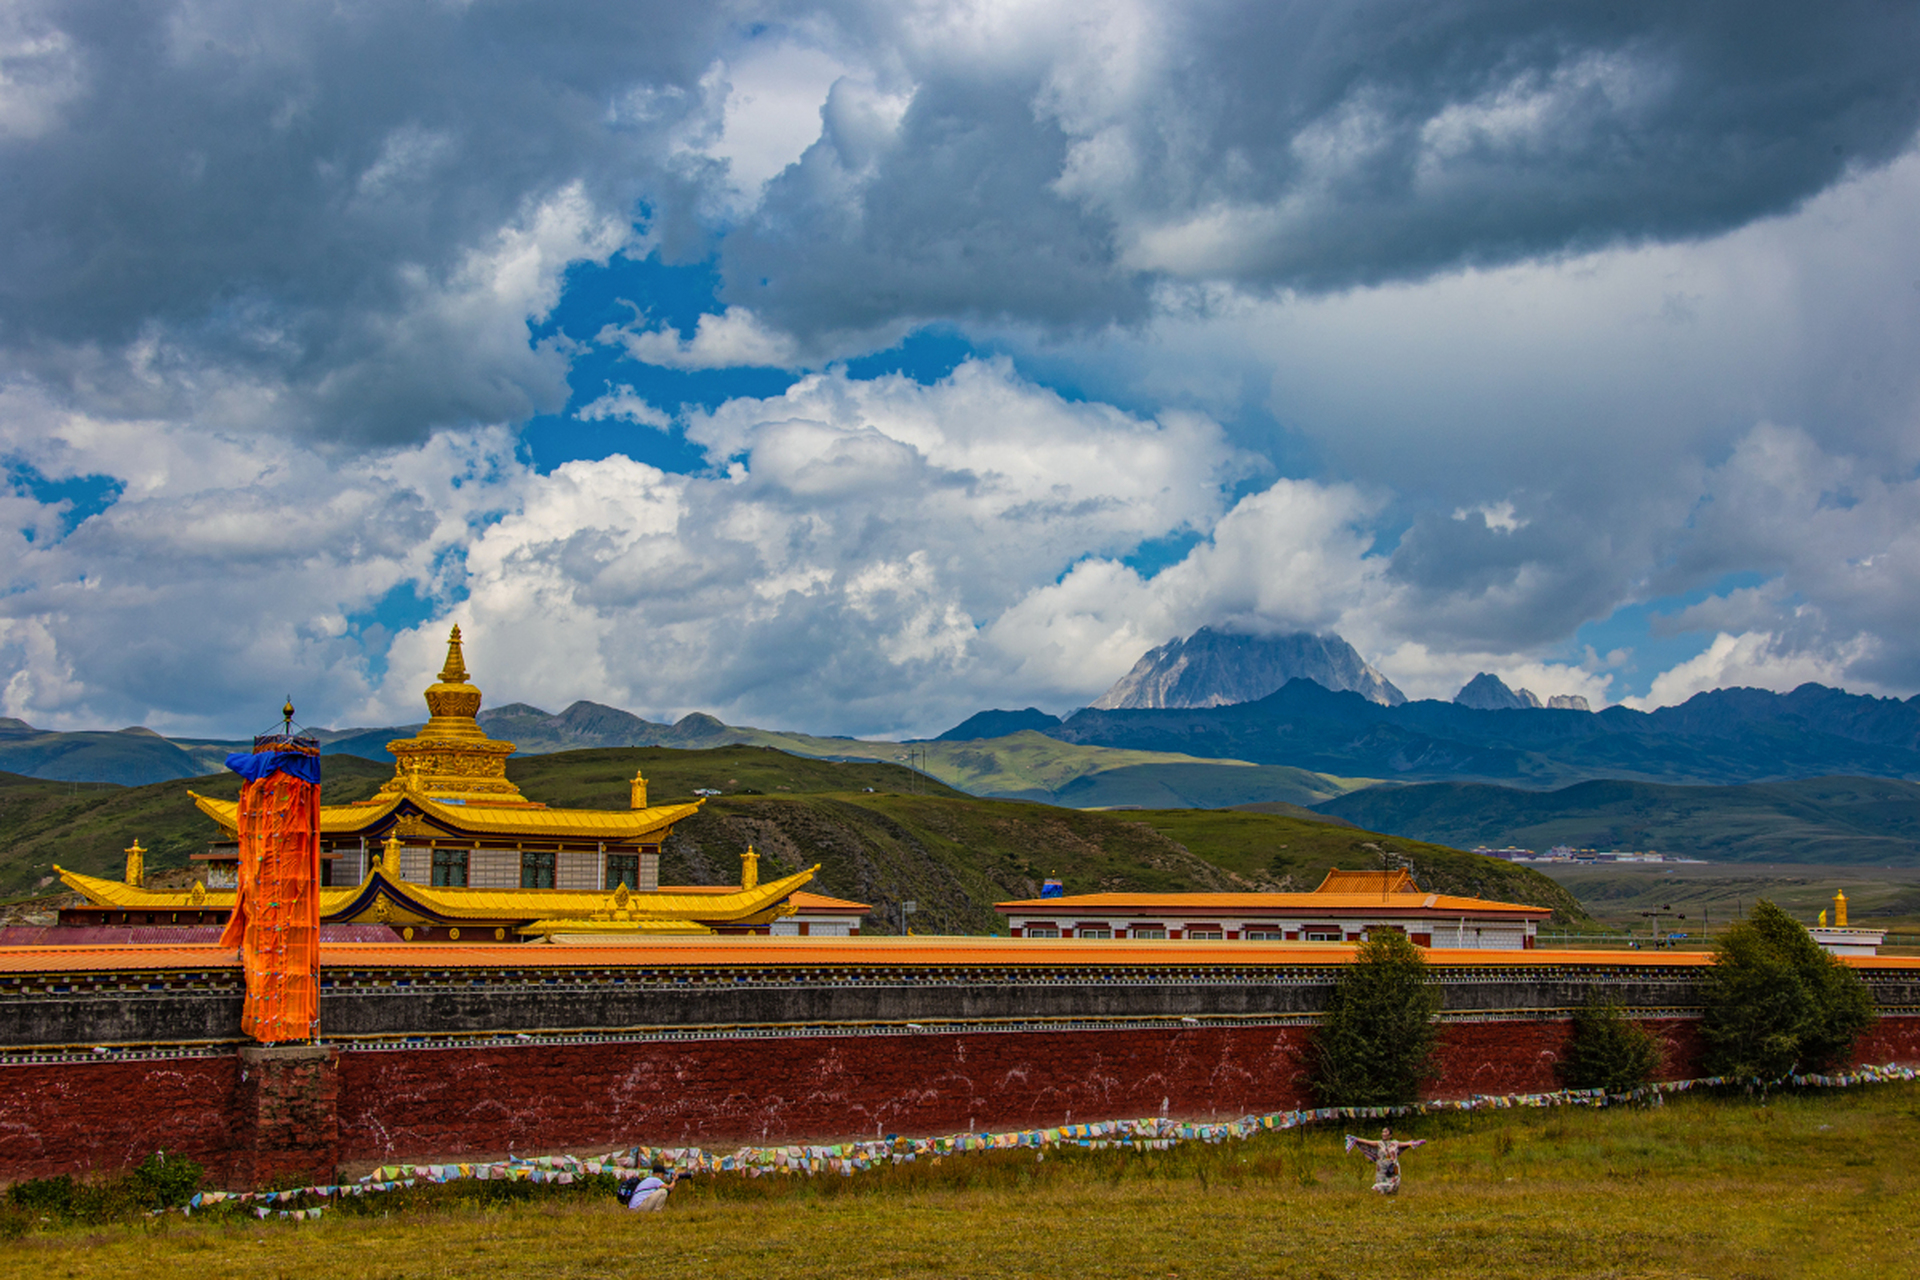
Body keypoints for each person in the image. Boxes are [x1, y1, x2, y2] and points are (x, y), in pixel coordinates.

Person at [1345, 1126, 1427, 1195]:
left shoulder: (1395, 1143)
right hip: (1382, 1168)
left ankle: (1392, 1196)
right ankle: (1381, 1197)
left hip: (1393, 1167)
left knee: (1393, 1184)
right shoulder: (1379, 1143)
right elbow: (1367, 1142)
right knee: (1380, 1186)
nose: (1383, 1134)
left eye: (1386, 1132)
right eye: (1383, 1132)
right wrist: (1356, 1139)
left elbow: (1406, 1144)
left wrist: (1415, 1143)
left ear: (1390, 1134)